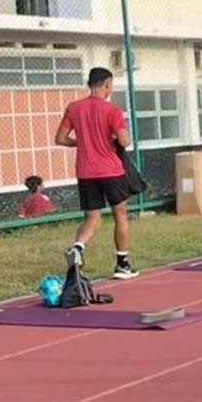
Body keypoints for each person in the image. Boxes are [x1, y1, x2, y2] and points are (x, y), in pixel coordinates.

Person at [55, 67, 138, 279]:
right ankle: (122, 264)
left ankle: (78, 247)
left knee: (93, 217)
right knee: (121, 215)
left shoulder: (74, 108)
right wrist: (112, 139)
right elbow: (125, 141)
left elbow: (61, 139)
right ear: (107, 85)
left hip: (85, 171)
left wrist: (81, 142)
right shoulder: (112, 111)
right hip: (111, 170)